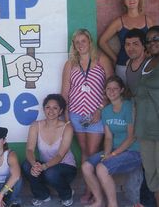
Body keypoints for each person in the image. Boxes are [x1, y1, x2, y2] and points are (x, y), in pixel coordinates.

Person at [61, 28, 113, 203]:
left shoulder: (101, 60)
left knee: (93, 152)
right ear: (73, 45)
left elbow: (111, 87)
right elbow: (65, 91)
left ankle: (93, 191)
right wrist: (66, 113)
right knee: (84, 151)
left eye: (83, 41)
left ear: (90, 42)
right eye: (77, 42)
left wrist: (100, 108)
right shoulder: (70, 64)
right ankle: (89, 189)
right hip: (76, 114)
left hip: (95, 114)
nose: (80, 45)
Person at [82, 76, 142, 207]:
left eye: (115, 88)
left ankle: (112, 204)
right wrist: (107, 154)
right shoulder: (106, 111)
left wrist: (112, 155)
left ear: (121, 90)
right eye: (108, 88)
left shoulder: (129, 107)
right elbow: (108, 137)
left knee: (102, 168)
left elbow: (132, 137)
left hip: (133, 151)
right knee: (86, 166)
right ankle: (98, 200)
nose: (111, 91)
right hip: (115, 150)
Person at [22, 94, 77, 207]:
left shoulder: (67, 127)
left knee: (51, 173)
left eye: (55, 108)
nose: (51, 111)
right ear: (44, 109)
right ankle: (42, 195)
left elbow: (60, 155)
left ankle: (67, 195)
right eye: (48, 107)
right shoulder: (36, 125)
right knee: (26, 165)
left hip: (65, 167)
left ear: (61, 110)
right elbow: (29, 149)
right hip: (45, 167)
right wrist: (34, 164)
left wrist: (43, 167)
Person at [124, 29, 156, 206]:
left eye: (135, 44)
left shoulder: (150, 65)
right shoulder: (129, 64)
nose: (131, 48)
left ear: (144, 46)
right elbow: (133, 91)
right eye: (128, 44)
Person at [99, 0, 154, 82]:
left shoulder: (148, 20)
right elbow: (102, 41)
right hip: (123, 64)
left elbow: (154, 41)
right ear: (124, 1)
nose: (131, 0)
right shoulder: (119, 21)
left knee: (143, 94)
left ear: (139, 0)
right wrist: (115, 58)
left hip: (145, 64)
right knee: (123, 94)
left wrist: (151, 55)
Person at [134, 26, 159, 206]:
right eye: (148, 41)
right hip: (144, 129)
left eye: (156, 38)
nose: (152, 43)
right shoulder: (147, 63)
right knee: (151, 175)